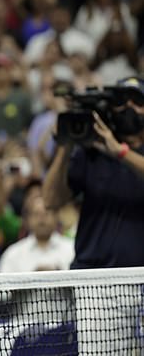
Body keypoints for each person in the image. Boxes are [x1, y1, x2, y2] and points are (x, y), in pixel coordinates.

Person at [43, 76, 144, 354]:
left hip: (141, 280)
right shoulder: (91, 153)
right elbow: (50, 199)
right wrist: (64, 147)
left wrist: (120, 151)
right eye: (121, 101)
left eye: (138, 101)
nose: (129, 107)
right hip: (96, 284)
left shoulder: (117, 150)